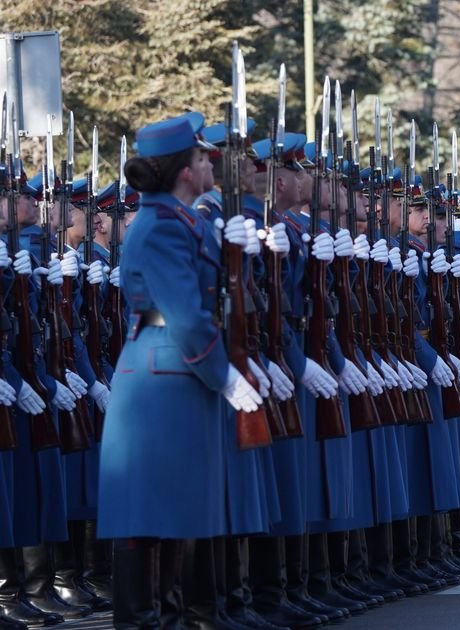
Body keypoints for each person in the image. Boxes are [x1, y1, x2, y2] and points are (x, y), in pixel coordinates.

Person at [97, 113, 265, 627]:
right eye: (202, 158)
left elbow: (218, 295)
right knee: (150, 512)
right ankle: (143, 620)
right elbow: (186, 316)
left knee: (180, 510)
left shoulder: (184, 221)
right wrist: (225, 374)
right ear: (185, 171)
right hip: (164, 371)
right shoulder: (161, 227)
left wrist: (237, 249)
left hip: (178, 371)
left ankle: (176, 617)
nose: (212, 165)